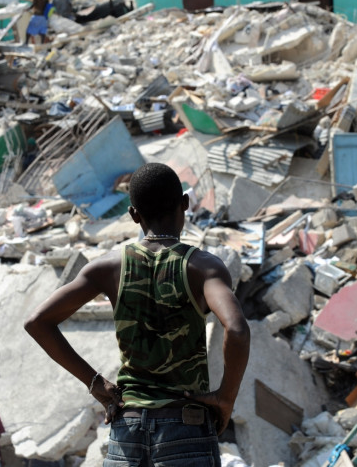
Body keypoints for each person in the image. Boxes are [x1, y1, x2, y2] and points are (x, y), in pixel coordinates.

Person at [25, 162, 250, 466]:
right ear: (185, 203)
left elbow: (38, 322)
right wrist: (226, 397)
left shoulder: (108, 268)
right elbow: (236, 330)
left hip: (126, 431)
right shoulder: (203, 268)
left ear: (133, 214)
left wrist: (96, 383)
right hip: (185, 429)